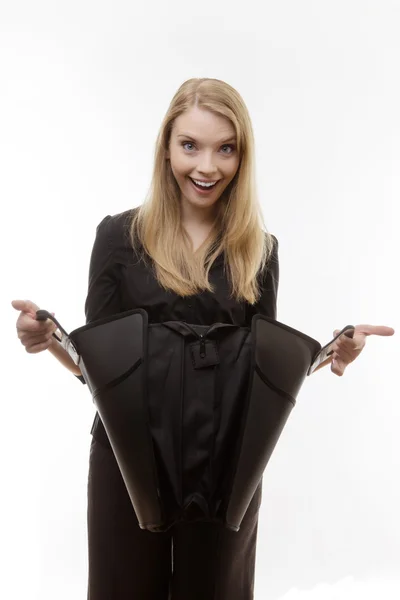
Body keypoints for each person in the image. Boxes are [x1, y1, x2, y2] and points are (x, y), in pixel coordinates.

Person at [12, 78, 394, 599]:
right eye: (190, 145)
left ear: (243, 155)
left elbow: (256, 375)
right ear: (166, 146)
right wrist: (48, 339)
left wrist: (333, 352)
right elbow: (98, 369)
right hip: (129, 452)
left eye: (226, 149)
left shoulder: (258, 251)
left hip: (226, 458)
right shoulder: (118, 238)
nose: (207, 167)